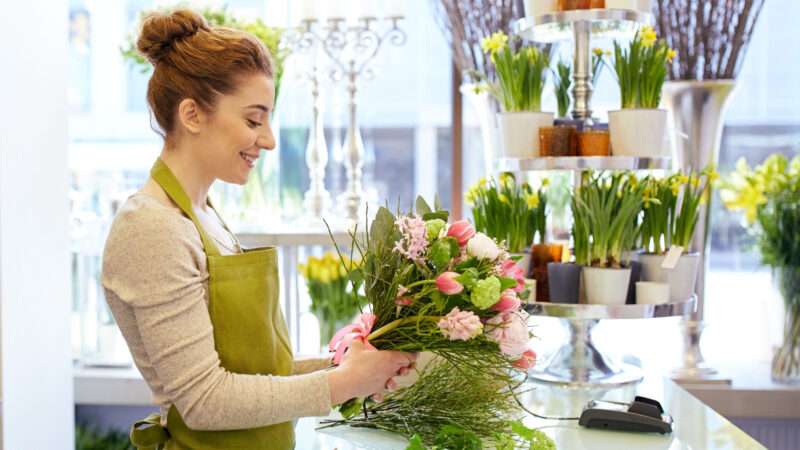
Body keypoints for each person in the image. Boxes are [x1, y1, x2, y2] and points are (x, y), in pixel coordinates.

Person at [101, 9, 415, 449]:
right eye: (253, 120)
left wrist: (344, 363)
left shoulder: (203, 215)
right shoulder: (151, 228)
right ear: (192, 114)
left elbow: (253, 371)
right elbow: (205, 400)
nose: (267, 140)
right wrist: (342, 383)